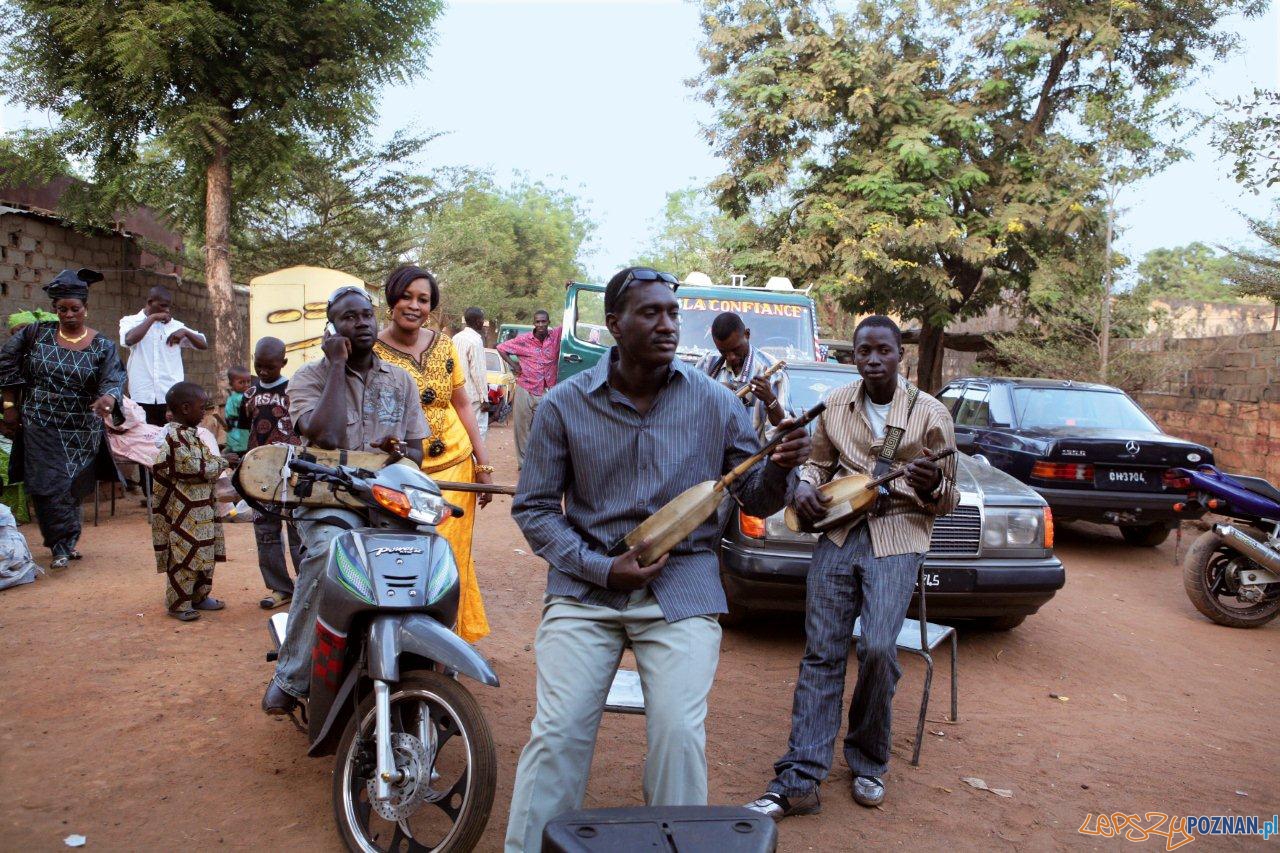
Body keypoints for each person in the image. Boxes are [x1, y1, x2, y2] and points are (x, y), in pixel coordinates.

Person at [504, 267, 813, 852]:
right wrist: (602, 568)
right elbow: (536, 509)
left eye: (673, 313)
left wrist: (778, 466)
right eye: (651, 313)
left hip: (683, 589)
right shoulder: (565, 406)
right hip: (586, 591)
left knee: (677, 733)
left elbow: (755, 499)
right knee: (559, 732)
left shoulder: (718, 403)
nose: (668, 325)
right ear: (615, 325)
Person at [744, 315, 959, 819]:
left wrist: (928, 485)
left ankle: (867, 760)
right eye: (864, 352)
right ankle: (800, 776)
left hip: (897, 535)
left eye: (884, 350)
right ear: (854, 356)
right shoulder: (837, 405)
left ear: (900, 354)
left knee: (880, 649)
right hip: (840, 534)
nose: (874, 360)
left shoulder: (929, 414)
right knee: (822, 652)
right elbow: (818, 464)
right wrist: (802, 487)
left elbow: (946, 498)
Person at [262, 285, 428, 716]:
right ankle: (292, 676)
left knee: (425, 557)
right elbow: (327, 435)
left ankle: (422, 661)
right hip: (328, 501)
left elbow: (416, 454)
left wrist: (398, 450)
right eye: (349, 318)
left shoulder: (402, 380)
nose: (362, 324)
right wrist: (336, 365)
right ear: (331, 329)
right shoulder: (308, 377)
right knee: (328, 553)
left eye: (366, 315)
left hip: (387, 501)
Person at [374, 266, 493, 643]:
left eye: (422, 299)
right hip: (403, 471)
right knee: (406, 553)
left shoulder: (444, 345)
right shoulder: (372, 350)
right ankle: (406, 640)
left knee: (451, 553)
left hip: (457, 468)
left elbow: (462, 404)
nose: (414, 306)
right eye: (406, 296)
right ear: (392, 299)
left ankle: (449, 638)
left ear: (431, 306)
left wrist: (483, 464)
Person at [0, 268, 125, 569]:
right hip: (40, 422)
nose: (68, 315)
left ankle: (69, 540)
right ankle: (59, 545)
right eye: (62, 309)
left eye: (75, 309)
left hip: (81, 429)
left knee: (73, 487)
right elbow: (4, 362)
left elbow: (113, 378)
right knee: (46, 485)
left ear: (86, 309)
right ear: (55, 309)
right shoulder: (36, 334)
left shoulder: (102, 346)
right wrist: (9, 406)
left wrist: (109, 398)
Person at [151, 381, 228, 622]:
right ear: (185, 408)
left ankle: (200, 595)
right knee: (184, 556)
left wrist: (217, 462)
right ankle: (179, 602)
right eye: (202, 407)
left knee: (204, 553)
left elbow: (205, 464)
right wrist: (223, 462)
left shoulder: (193, 437)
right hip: (182, 512)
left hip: (201, 510)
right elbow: (193, 468)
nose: (205, 413)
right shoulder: (174, 439)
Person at [243, 337, 303, 610]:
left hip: (291, 470)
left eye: (270, 366)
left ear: (283, 363)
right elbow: (248, 427)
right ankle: (280, 588)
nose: (264, 371)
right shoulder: (249, 393)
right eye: (259, 365)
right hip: (260, 473)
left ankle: (305, 585)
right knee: (265, 529)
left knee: (297, 530)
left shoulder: (294, 390)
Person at [695, 311, 791, 442]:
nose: (731, 357)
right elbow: (688, 410)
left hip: (751, 459)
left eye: (735, 349)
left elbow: (783, 429)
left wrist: (769, 399)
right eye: (723, 351)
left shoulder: (771, 370)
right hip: (711, 456)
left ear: (747, 334)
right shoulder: (707, 364)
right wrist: (713, 392)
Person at [120, 285, 207, 426]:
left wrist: (185, 332)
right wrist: (152, 318)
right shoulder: (130, 321)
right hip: (142, 393)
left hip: (170, 395)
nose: (166, 310)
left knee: (170, 438)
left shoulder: (175, 325)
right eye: (162, 306)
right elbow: (129, 340)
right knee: (144, 438)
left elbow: (203, 344)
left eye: (168, 307)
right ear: (150, 303)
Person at [496, 309, 562, 470]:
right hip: (525, 387)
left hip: (547, 390)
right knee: (522, 428)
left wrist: (570, 289)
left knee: (544, 429)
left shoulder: (555, 337)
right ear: (533, 323)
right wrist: (514, 365)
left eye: (543, 321)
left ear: (548, 322)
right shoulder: (524, 340)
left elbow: (572, 318)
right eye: (537, 321)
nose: (540, 324)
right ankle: (524, 465)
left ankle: (540, 462)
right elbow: (501, 347)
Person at [452, 306, 490, 439]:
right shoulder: (476, 341)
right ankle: (476, 459)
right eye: (482, 320)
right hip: (473, 397)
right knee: (478, 433)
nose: (483, 322)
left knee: (460, 432)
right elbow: (478, 372)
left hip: (456, 394)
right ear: (478, 321)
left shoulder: (455, 338)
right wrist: (484, 398)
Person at [223, 366, 252, 456]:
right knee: (243, 452)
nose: (246, 385)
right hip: (240, 432)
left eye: (248, 381)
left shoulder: (233, 396)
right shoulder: (241, 398)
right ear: (231, 384)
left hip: (235, 431)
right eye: (241, 382)